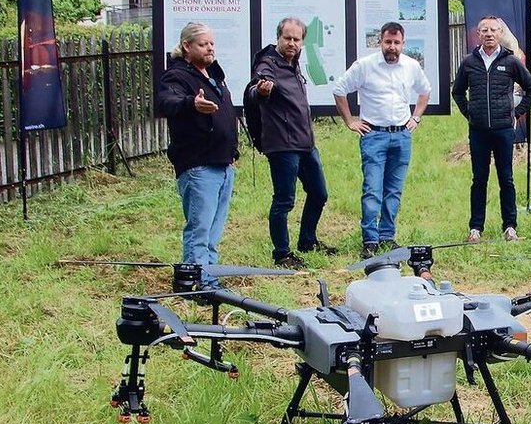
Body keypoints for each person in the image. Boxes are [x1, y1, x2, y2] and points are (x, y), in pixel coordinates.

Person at [333, 22, 432, 259]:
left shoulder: (411, 66)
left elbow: (425, 91)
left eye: (397, 43)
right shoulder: (365, 66)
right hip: (373, 135)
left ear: (403, 44)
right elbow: (339, 89)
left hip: (401, 135)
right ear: (381, 42)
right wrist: (350, 121)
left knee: (394, 190)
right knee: (372, 189)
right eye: (388, 42)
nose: (392, 47)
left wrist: (416, 117)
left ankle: (387, 236)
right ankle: (370, 239)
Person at [247, 17, 335, 269]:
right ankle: (282, 254)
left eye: (297, 39)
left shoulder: (293, 63)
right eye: (288, 38)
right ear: (279, 37)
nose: (292, 43)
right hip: (283, 145)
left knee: (319, 193)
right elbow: (256, 88)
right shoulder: (268, 63)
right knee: (284, 200)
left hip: (305, 143)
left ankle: (307, 240)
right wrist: (261, 91)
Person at [156, 22, 239, 272]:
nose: (210, 49)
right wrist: (192, 103)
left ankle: (209, 278)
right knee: (200, 229)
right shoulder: (177, 76)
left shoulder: (214, 76)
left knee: (214, 230)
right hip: (199, 165)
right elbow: (166, 102)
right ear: (186, 46)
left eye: (212, 44)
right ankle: (195, 282)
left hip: (223, 163)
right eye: (203, 44)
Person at [452, 15, 531, 242]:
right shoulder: (469, 62)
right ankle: (475, 228)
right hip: (478, 131)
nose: (489, 34)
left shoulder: (510, 62)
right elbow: (458, 92)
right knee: (479, 179)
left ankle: (510, 227)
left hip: (503, 130)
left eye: (493, 30)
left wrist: (516, 113)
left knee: (506, 179)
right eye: (484, 30)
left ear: (500, 34)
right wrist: (469, 113)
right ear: (478, 35)